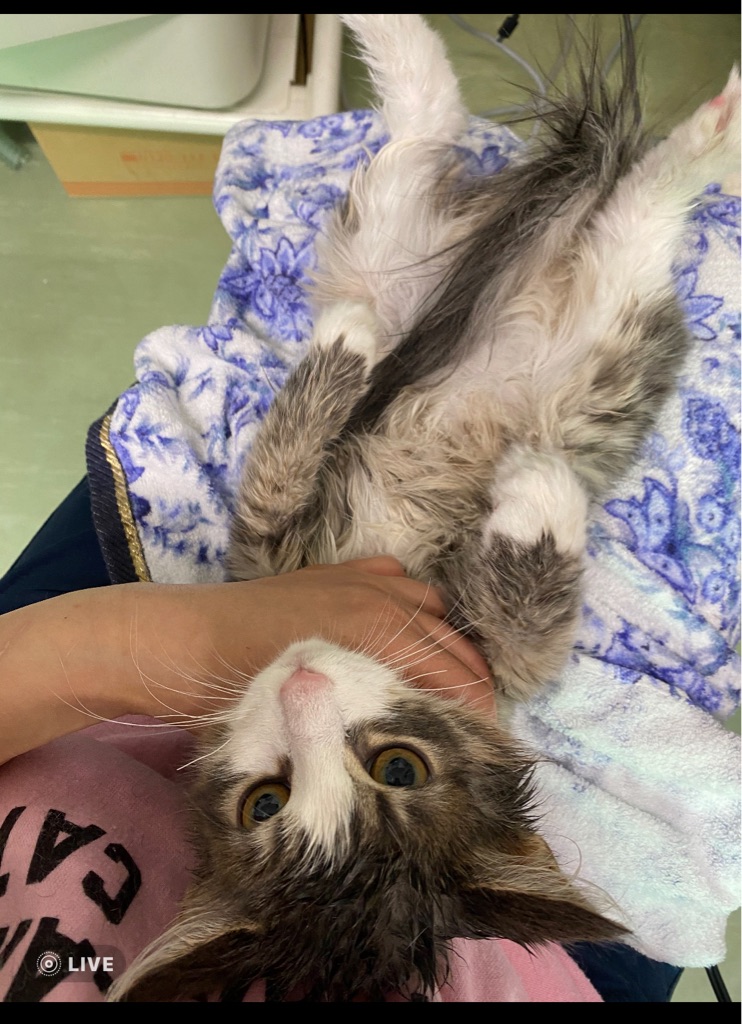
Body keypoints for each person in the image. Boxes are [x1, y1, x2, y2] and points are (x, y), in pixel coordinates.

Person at [0, 479, 682, 1002]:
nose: (304, 698)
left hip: (59, 681)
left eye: (266, 802)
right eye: (396, 767)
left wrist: (135, 643)